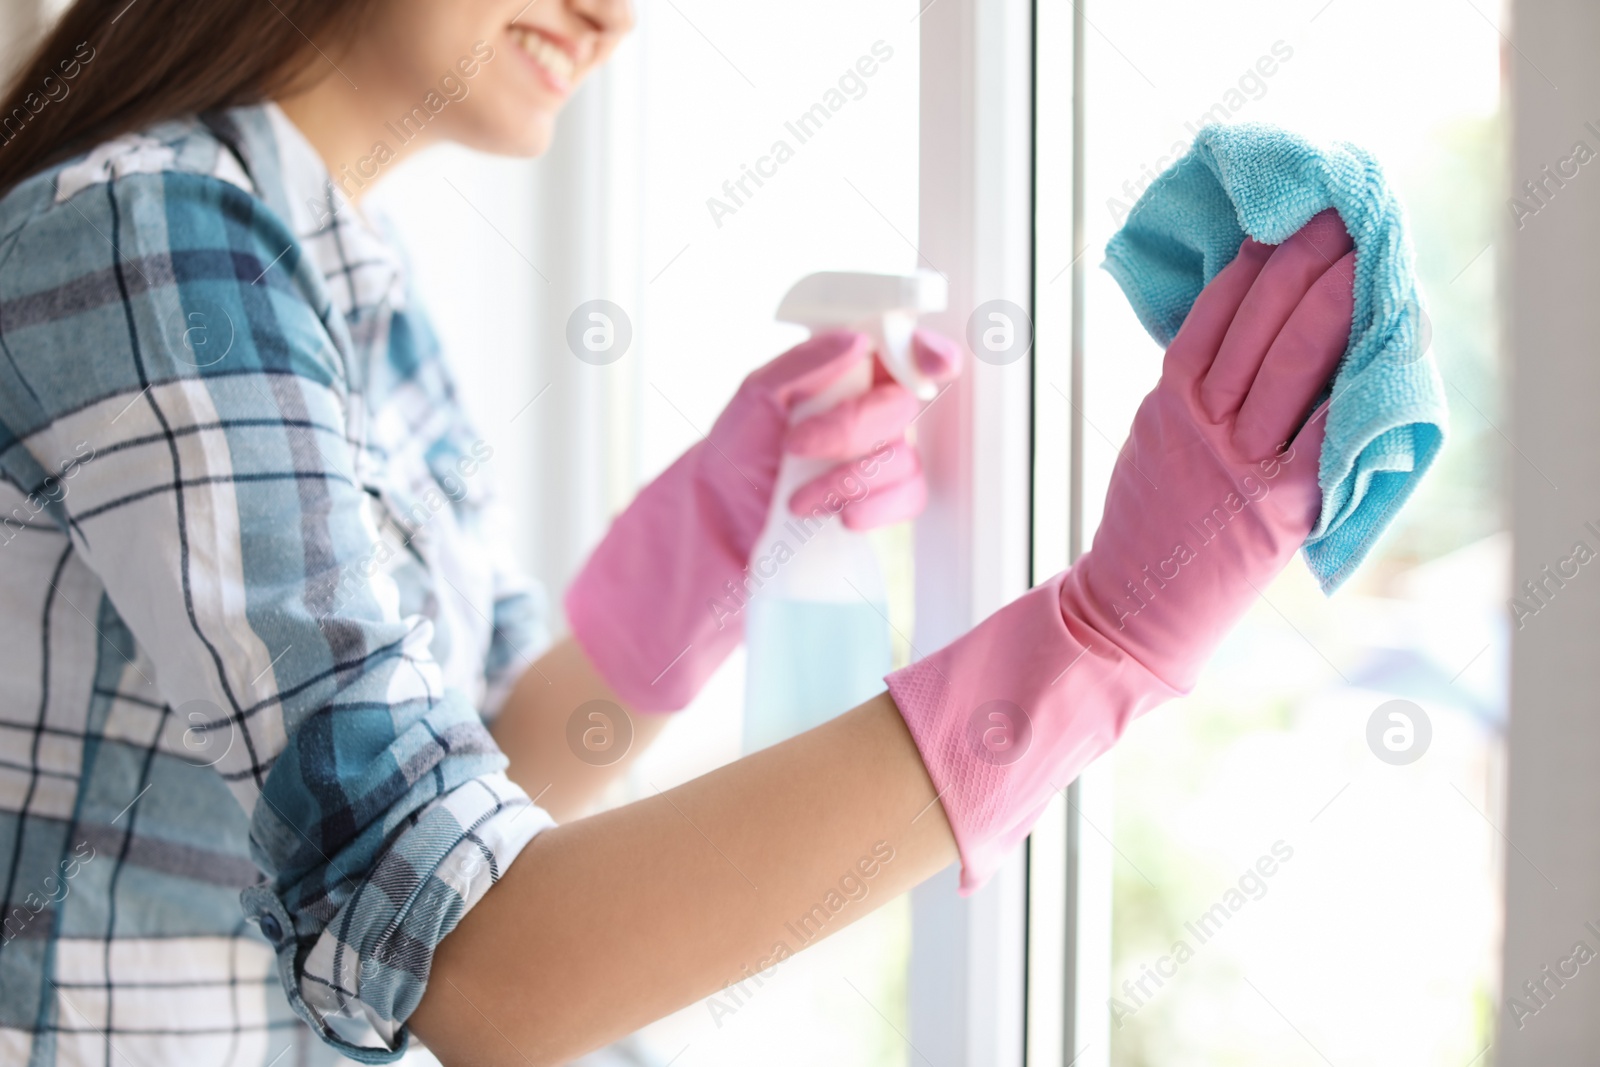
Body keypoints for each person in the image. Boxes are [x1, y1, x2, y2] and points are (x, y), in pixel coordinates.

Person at [0, 0, 1357, 1063]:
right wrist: (1100, 637)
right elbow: (475, 970)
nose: (615, 15)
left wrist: (727, 533)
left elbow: (481, 758)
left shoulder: (349, 278)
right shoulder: (154, 233)